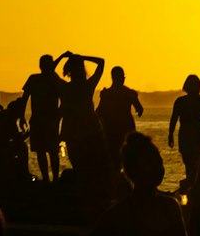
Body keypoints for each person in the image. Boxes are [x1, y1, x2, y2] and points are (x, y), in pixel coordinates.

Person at [58, 52, 108, 185]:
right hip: (89, 126)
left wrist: (62, 57)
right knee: (92, 160)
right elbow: (101, 61)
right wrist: (82, 57)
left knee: (77, 161)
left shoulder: (65, 87)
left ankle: (82, 186)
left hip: (72, 127)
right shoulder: (88, 85)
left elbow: (49, 72)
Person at [21, 54, 65, 183]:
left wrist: (58, 115)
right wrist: (21, 116)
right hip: (39, 120)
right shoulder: (35, 79)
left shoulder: (54, 81)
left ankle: (53, 179)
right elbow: (25, 98)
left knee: (51, 151)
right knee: (42, 151)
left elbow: (64, 100)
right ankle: (48, 179)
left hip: (50, 121)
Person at [167, 76, 200, 182]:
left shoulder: (180, 101)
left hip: (186, 133)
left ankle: (191, 182)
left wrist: (170, 135)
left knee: (189, 162)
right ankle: (199, 183)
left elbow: (174, 119)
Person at [98, 67, 144, 169]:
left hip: (110, 129)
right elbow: (140, 109)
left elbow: (99, 112)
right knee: (129, 158)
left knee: (113, 159)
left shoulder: (107, 94)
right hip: (126, 128)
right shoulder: (128, 93)